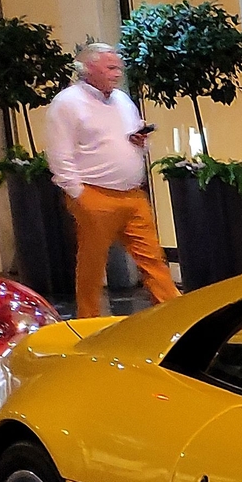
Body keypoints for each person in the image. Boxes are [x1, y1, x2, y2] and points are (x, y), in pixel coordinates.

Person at [45, 42, 178, 319]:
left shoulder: (122, 100)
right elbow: (59, 154)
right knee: (93, 265)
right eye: (111, 67)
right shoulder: (67, 103)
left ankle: (174, 314)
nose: (118, 73)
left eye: (119, 68)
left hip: (132, 194)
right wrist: (77, 193)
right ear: (89, 69)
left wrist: (139, 141)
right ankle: (88, 320)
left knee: (153, 259)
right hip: (94, 195)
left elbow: (130, 138)